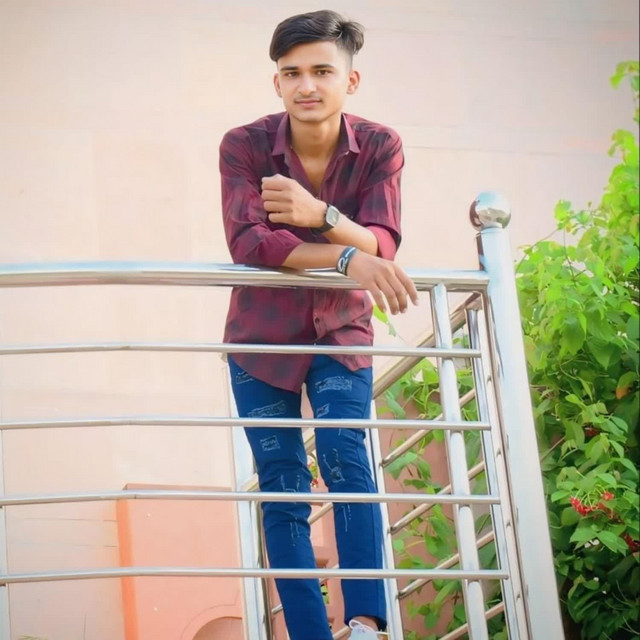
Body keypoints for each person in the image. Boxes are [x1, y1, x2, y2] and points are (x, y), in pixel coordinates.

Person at [219, 9, 418, 640]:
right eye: (292, 73)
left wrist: (319, 214)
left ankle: (365, 624)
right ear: (276, 81)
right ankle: (308, 632)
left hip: (341, 330)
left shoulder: (380, 146)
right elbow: (250, 243)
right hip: (260, 339)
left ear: (350, 81)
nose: (307, 85)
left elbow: (384, 243)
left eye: (322, 71)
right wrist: (347, 256)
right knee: (282, 484)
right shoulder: (244, 145)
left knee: (344, 455)